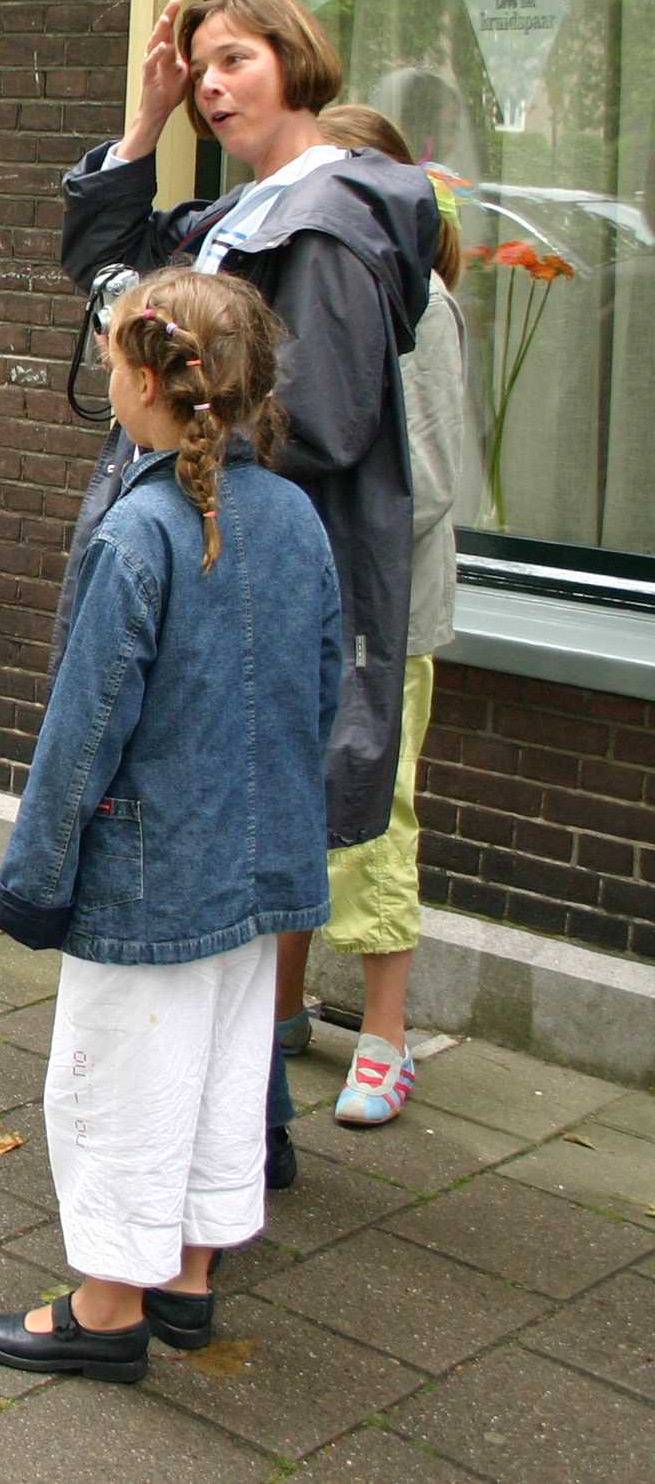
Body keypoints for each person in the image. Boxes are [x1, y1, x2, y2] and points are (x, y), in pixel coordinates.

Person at [59, 0, 438, 1178]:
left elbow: (324, 416)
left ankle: (224, 1146)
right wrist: (143, 121)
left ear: (297, 59)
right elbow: (105, 276)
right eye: (201, 66)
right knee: (213, 850)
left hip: (242, 582)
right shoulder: (243, 210)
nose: (213, 85)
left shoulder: (330, 219)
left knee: (209, 847)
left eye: (236, 59)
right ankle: (233, 1134)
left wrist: (178, 428)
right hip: (209, 560)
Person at [0, 267, 340, 1386]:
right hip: (260, 865)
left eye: (110, 367)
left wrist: (36, 876)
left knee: (122, 1077)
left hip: (148, 869)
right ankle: (187, 1272)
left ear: (146, 381)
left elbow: (84, 727)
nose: (106, 384)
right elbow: (322, 686)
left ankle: (106, 1306)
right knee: (225, 1065)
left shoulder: (140, 529)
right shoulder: (297, 516)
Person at [284, 102, 471, 1125]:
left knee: (375, 815)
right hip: (316, 605)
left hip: (382, 615)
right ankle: (280, 1011)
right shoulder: (323, 281)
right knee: (294, 808)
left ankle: (386, 1042)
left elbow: (425, 483)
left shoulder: (419, 304)